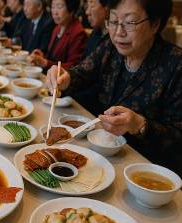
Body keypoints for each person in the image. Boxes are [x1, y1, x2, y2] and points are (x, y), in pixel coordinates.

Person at [46, 0, 182, 176]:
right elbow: (82, 73)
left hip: (147, 172)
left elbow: (178, 139)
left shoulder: (176, 66)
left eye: (130, 22)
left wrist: (140, 125)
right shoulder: (110, 48)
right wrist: (65, 78)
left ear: (155, 24)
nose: (118, 32)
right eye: (113, 20)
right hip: (100, 156)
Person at [27, 0, 87, 70]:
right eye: (53, 7)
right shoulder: (57, 28)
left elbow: (73, 67)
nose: (55, 12)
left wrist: (46, 63)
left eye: (59, 7)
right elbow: (53, 58)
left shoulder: (78, 32)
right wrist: (41, 57)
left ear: (71, 9)